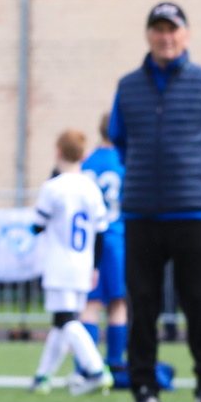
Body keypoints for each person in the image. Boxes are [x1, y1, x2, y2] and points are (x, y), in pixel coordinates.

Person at [107, 3, 201, 402]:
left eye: (173, 29)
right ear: (149, 35)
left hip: (195, 213)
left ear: (186, 35)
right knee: (141, 306)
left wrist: (200, 184)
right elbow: (120, 140)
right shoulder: (127, 86)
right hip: (141, 213)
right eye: (158, 30)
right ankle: (144, 388)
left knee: (199, 304)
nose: (165, 37)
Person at [29, 130, 109, 394]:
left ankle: (96, 369)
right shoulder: (91, 187)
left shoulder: (53, 187)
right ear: (84, 155)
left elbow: (38, 226)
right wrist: (96, 266)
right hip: (83, 263)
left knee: (67, 321)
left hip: (59, 263)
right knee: (61, 322)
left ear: (57, 152)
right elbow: (100, 231)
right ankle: (43, 376)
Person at [80, 126, 130, 380]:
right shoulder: (124, 160)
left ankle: (88, 365)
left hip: (88, 240)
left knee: (89, 303)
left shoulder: (86, 161)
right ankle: (115, 362)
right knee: (118, 303)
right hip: (116, 238)